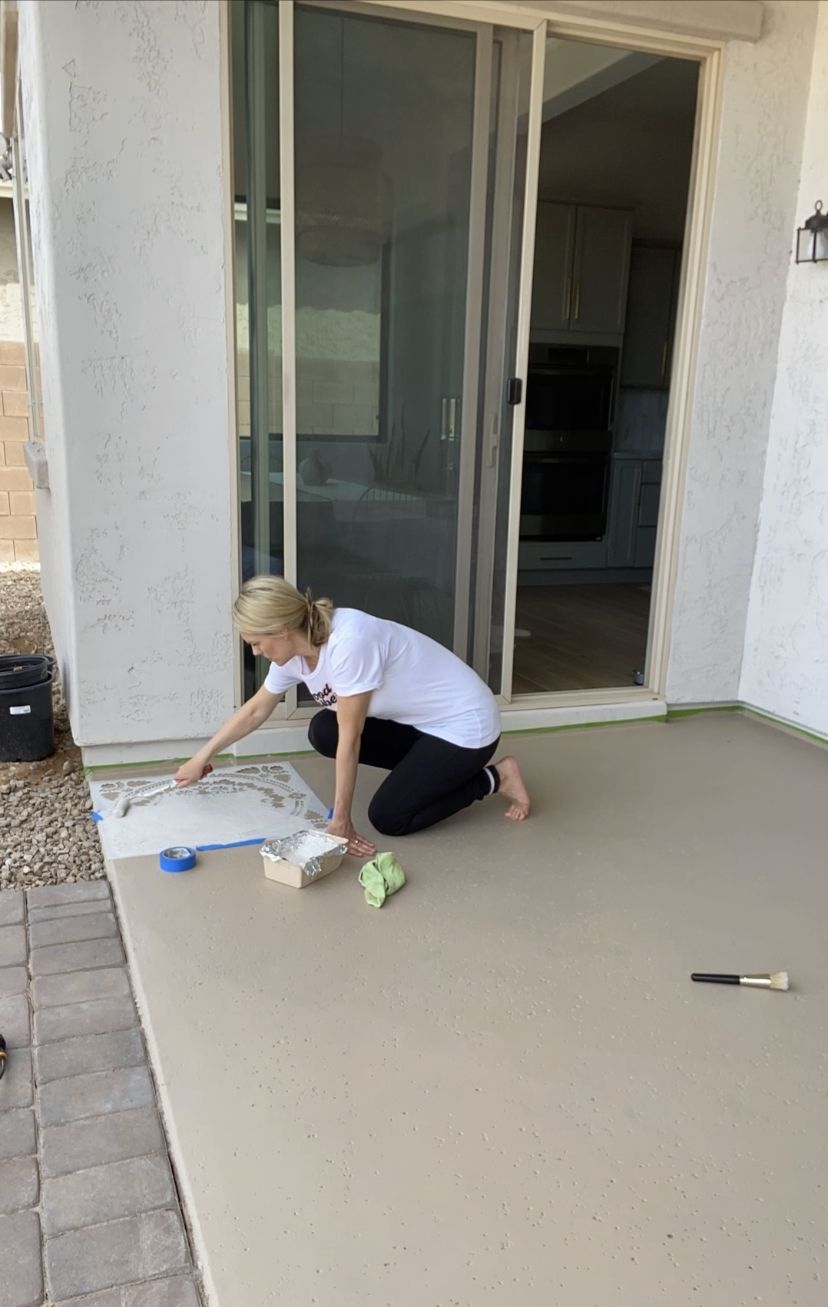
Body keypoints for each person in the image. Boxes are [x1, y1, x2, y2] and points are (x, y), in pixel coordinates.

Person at [176, 576, 531, 856]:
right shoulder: (293, 655)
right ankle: (425, 771)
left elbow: (352, 738)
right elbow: (255, 710)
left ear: (282, 630)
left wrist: (342, 820)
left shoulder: (349, 641)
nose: (255, 652)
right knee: (323, 729)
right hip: (422, 726)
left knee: (389, 817)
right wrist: (201, 758)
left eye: (256, 643)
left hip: (466, 726)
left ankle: (495, 778)